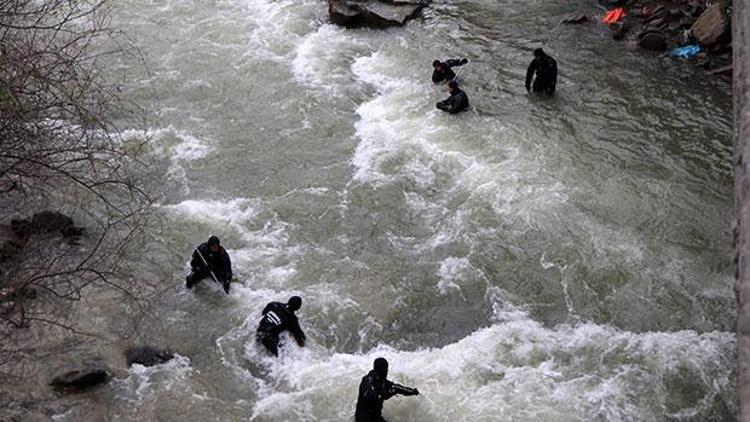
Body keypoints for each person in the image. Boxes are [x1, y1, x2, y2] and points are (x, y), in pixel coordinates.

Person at [355, 357, 419, 422]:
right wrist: (388, 393)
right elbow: (372, 396)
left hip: (376, 418)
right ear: (380, 370)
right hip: (363, 419)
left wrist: (413, 391)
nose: (387, 371)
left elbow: (397, 387)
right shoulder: (367, 381)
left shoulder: (382, 381)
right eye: (385, 369)